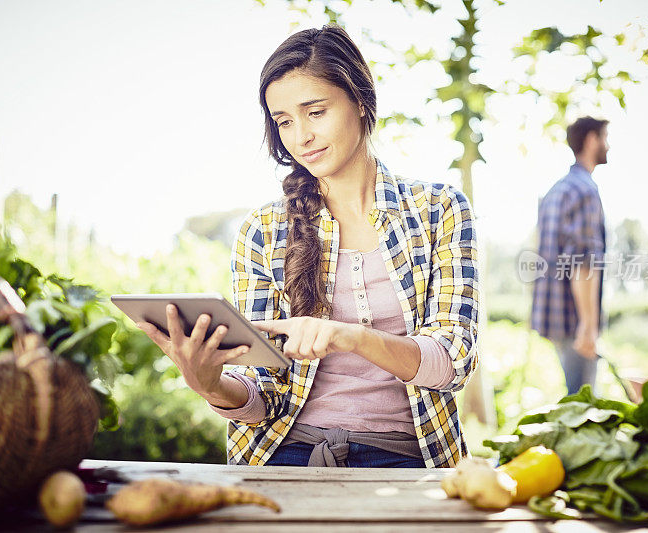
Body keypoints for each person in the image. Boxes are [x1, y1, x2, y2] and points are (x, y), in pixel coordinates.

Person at [138, 23, 478, 468]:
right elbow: (265, 394)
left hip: (409, 457)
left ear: (360, 100)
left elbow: (452, 362)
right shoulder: (264, 228)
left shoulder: (439, 209)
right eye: (283, 121)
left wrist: (350, 337)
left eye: (315, 112)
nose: (300, 137)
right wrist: (212, 385)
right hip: (286, 453)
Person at [531, 116, 608, 396]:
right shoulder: (586, 190)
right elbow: (583, 262)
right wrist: (588, 326)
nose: (608, 146)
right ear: (591, 140)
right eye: (604, 138)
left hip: (553, 315)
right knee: (584, 408)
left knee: (575, 398)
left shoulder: (556, 190)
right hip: (575, 319)